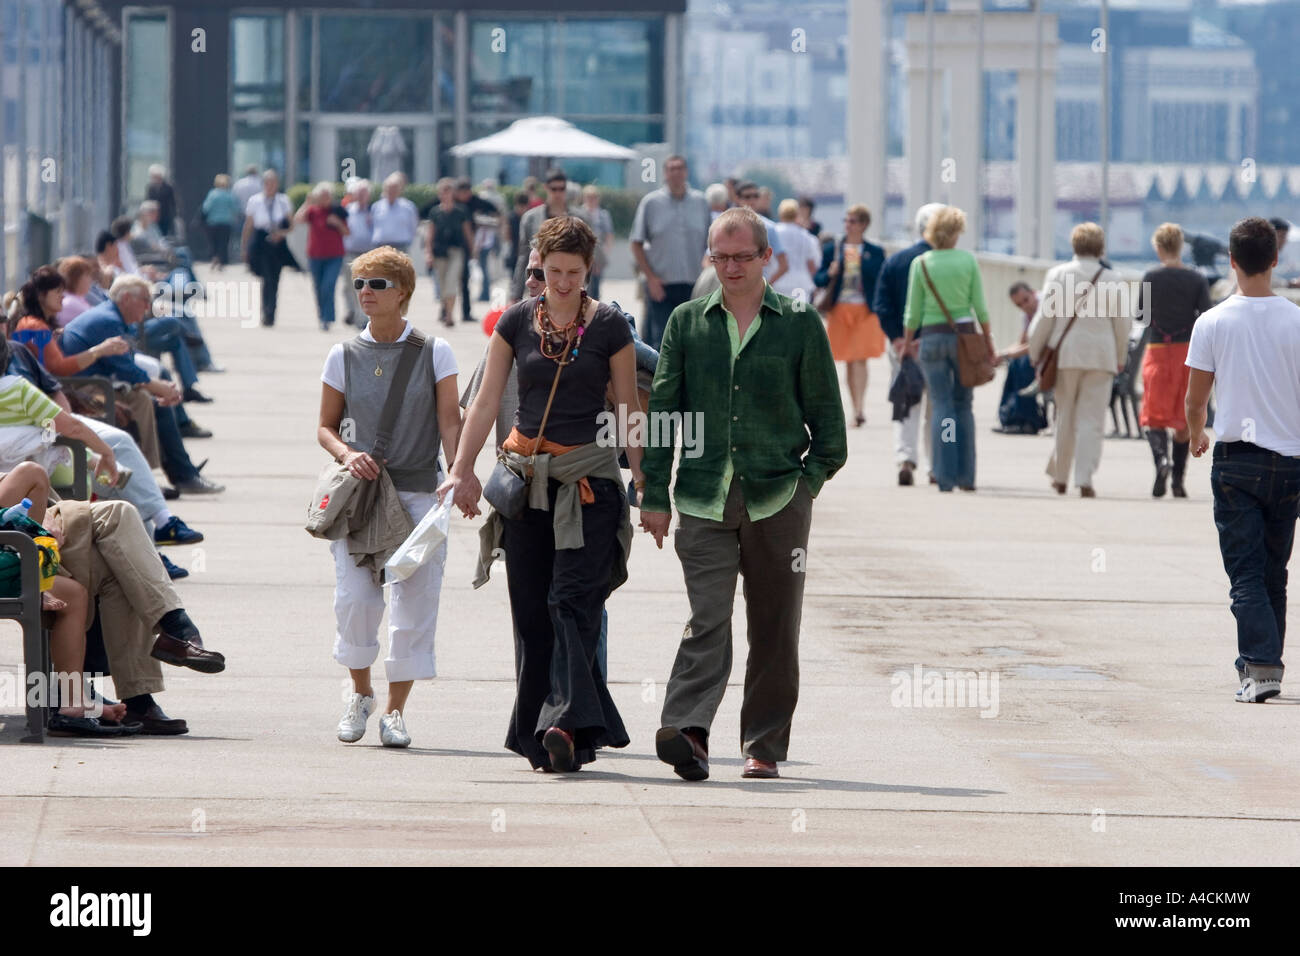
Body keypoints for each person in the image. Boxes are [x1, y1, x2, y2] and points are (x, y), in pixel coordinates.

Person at [641, 207, 846, 781]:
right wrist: (654, 492)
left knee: (774, 627)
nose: (730, 267)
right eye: (720, 256)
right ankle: (688, 732)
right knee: (707, 618)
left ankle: (763, 745)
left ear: (767, 259)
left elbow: (830, 429)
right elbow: (662, 412)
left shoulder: (801, 323)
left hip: (778, 498)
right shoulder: (686, 321)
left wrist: (805, 487)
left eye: (741, 256)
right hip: (703, 496)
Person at [443, 215, 640, 774]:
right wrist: (462, 471)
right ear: (537, 265)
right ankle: (551, 735)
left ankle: (562, 722)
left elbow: (627, 411)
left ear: (589, 268)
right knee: (531, 613)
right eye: (551, 271)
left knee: (572, 603)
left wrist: (646, 485)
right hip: (525, 484)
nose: (561, 282)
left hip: (589, 487)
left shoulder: (610, 327)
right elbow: (483, 404)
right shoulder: (515, 322)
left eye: (573, 272)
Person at [318, 246, 462, 747]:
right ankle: (360, 694)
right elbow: (325, 427)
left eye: (377, 284)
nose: (366, 293)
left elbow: (450, 419)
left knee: (415, 603)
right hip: (362, 498)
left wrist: (458, 473)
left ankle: (396, 711)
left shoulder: (434, 351)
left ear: (403, 291)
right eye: (360, 283)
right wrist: (344, 453)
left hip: (420, 492)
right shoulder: (343, 354)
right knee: (355, 601)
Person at [1186, 216, 1300, 703]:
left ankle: (1259, 668)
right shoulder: (1296, 319)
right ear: (1275, 258)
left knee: (1247, 572)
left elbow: (1195, 400)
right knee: (1275, 570)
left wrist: (1196, 434)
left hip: (1236, 462)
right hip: (1290, 462)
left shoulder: (1212, 321)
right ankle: (1267, 665)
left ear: (1231, 261)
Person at [63, 276, 224, 495]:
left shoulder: (114, 317)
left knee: (155, 404)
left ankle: (177, 475)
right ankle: (155, 479)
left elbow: (126, 366)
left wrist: (159, 387)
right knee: (144, 403)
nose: (148, 307)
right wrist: (159, 387)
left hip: (98, 384)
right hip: (82, 389)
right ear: (127, 298)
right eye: (145, 300)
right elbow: (126, 370)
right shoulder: (108, 320)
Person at [1027, 222, 1131, 498]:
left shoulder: (1058, 274)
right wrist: (1120, 356)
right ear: (1101, 247)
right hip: (1101, 355)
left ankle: (1060, 476)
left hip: (1067, 355)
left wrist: (1034, 351)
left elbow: (1044, 319)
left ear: (1074, 245)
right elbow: (1122, 324)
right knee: (1092, 420)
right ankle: (1084, 478)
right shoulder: (1114, 279)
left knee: (1065, 417)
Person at [899, 205, 993, 493]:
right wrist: (988, 341)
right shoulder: (967, 261)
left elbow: (912, 312)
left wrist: (906, 342)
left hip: (931, 339)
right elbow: (980, 307)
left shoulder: (922, 263)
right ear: (955, 234)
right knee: (963, 405)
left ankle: (944, 475)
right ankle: (966, 476)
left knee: (941, 405)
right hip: (964, 339)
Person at [1138, 223, 1211, 498]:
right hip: (1187, 352)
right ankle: (1178, 480)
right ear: (1180, 247)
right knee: (1182, 419)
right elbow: (1205, 315)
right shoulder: (1196, 279)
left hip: (1157, 348)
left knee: (1153, 415)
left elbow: (1141, 317)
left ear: (1158, 247)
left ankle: (1162, 461)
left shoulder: (1150, 276)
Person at [874, 203, 943, 486]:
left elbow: (882, 304)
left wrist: (898, 338)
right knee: (937, 406)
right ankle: (935, 466)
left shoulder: (897, 261)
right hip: (937, 341)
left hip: (903, 346)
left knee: (906, 401)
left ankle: (905, 458)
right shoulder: (950, 262)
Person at [813, 203, 887, 428]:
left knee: (860, 358)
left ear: (863, 225)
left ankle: (859, 408)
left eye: (853, 221)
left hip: (866, 310)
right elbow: (818, 279)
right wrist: (830, 272)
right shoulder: (832, 250)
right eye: (846, 220)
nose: (848, 224)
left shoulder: (875, 252)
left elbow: (882, 279)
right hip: (840, 309)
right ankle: (854, 407)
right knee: (847, 360)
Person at [629, 155, 711, 348]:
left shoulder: (700, 202)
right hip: (661, 285)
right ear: (665, 173)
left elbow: (712, 242)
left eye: (680, 168)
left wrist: (708, 262)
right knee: (663, 341)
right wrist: (650, 278)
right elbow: (636, 242)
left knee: (694, 338)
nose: (676, 173)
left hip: (695, 284)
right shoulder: (651, 203)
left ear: (686, 172)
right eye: (671, 169)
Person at [509, 167, 588, 303]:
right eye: (554, 189)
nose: (558, 193)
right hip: (539, 284)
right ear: (546, 188)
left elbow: (586, 257)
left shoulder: (579, 218)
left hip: (568, 287)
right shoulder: (530, 218)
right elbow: (523, 257)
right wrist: (516, 293)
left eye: (562, 189)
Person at [241, 169, 298, 327]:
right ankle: (266, 311)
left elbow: (292, 225)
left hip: (277, 243)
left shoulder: (283, 201)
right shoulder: (255, 201)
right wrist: (244, 247)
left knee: (274, 278)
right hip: (261, 241)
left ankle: (271, 312)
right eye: (267, 183)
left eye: (273, 183)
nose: (270, 186)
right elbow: (249, 225)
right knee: (266, 278)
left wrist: (281, 233)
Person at [993, 282, 1048, 434]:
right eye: (1019, 305)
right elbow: (1022, 342)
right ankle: (1009, 416)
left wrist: (1005, 354)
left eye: (1026, 300)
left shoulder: (1046, 305)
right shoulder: (1026, 314)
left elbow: (1039, 344)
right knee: (1013, 364)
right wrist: (1001, 354)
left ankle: (1028, 419)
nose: (1024, 306)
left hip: (1050, 354)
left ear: (1033, 292)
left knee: (1023, 364)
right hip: (1038, 353)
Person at [294, 182, 350, 332]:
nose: (325, 199)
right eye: (322, 196)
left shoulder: (338, 211)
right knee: (318, 287)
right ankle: (322, 316)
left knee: (328, 285)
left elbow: (347, 232)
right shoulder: (313, 211)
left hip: (335, 255)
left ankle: (328, 318)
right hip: (315, 255)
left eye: (328, 196)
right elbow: (298, 219)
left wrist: (337, 223)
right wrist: (307, 202)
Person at [423, 178, 475, 328]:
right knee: (443, 284)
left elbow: (468, 232)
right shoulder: (435, 212)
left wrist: (472, 250)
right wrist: (428, 253)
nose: (445, 194)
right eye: (442, 191)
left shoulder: (461, 211)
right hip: (439, 253)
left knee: (452, 282)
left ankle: (449, 316)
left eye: (448, 191)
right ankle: (446, 311)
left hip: (456, 251)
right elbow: (430, 235)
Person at [455, 177, 500, 319]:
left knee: (465, 279)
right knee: (450, 282)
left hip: (469, 245)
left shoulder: (476, 201)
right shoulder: (452, 202)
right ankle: (446, 310)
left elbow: (495, 210)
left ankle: (466, 312)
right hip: (452, 245)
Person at [734, 181, 788, 289]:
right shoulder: (726, 226)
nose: (752, 200)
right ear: (737, 199)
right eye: (747, 197)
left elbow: (784, 265)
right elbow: (709, 259)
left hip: (759, 291)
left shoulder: (769, 227)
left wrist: (767, 285)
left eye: (755, 196)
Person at [339, 179, 374, 328]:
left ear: (369, 196)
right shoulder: (347, 210)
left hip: (368, 253)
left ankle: (362, 316)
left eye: (364, 194)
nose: (361, 196)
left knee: (364, 287)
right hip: (350, 252)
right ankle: (352, 311)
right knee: (349, 285)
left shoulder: (374, 212)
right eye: (359, 193)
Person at [772, 198, 822, 302]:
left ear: (780, 214)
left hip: (778, 283)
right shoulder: (807, 236)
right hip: (801, 285)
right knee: (799, 317)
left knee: (780, 316)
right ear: (796, 215)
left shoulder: (773, 233)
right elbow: (813, 264)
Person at [369, 172, 420, 254]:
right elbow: (371, 225)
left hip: (401, 247)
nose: (391, 192)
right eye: (389, 189)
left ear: (399, 190)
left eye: (394, 189)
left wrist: (409, 242)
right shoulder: (376, 206)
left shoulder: (408, 207)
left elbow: (413, 226)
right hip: (380, 247)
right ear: (385, 189)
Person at [582, 186, 615, 301]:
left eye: (594, 197)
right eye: (589, 197)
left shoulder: (603, 214)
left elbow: (609, 234)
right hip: (583, 253)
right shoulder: (580, 213)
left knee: (595, 284)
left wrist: (605, 253)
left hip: (598, 253)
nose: (592, 200)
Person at [200, 174, 240, 270]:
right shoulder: (229, 195)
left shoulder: (212, 194)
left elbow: (206, 208)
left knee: (214, 242)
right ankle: (221, 261)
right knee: (223, 243)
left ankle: (214, 258)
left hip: (213, 222)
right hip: (226, 222)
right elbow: (235, 209)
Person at [54, 257, 97, 326]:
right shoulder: (70, 302)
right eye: (87, 275)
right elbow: (97, 321)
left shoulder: (76, 298)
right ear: (75, 278)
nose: (90, 280)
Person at [145, 165, 180, 238]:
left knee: (163, 234)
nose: (155, 178)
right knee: (153, 234)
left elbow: (173, 202)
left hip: (165, 215)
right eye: (153, 176)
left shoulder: (168, 187)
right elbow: (147, 200)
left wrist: (175, 215)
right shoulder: (150, 187)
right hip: (152, 215)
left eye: (156, 176)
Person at [504, 191, 531, 280]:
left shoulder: (528, 217)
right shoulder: (512, 217)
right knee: (515, 279)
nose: (522, 209)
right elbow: (507, 236)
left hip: (526, 253)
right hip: (515, 253)